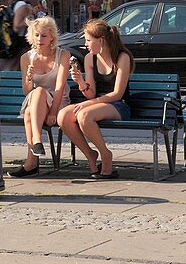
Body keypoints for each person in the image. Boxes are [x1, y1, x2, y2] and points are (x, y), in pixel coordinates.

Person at [57, 18, 134, 179]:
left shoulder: (122, 57)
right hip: (97, 103)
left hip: (119, 105)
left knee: (85, 115)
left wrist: (88, 103)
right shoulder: (89, 58)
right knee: (63, 115)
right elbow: (90, 93)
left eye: (88, 40)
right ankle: (90, 155)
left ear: (101, 40)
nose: (85, 44)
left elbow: (117, 94)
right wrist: (80, 82)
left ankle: (106, 155)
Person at [8, 16, 70, 178]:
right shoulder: (26, 58)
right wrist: (28, 78)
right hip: (36, 102)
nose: (39, 39)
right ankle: (36, 146)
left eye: (43, 35)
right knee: (37, 92)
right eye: (36, 35)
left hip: (58, 101)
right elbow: (27, 91)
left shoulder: (63, 55)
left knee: (32, 107)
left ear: (52, 37)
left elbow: (60, 87)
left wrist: (53, 112)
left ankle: (32, 162)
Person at [0, 0, 36, 71]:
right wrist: (29, 18)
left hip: (18, 44)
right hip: (20, 44)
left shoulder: (17, 3)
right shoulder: (22, 5)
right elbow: (16, 26)